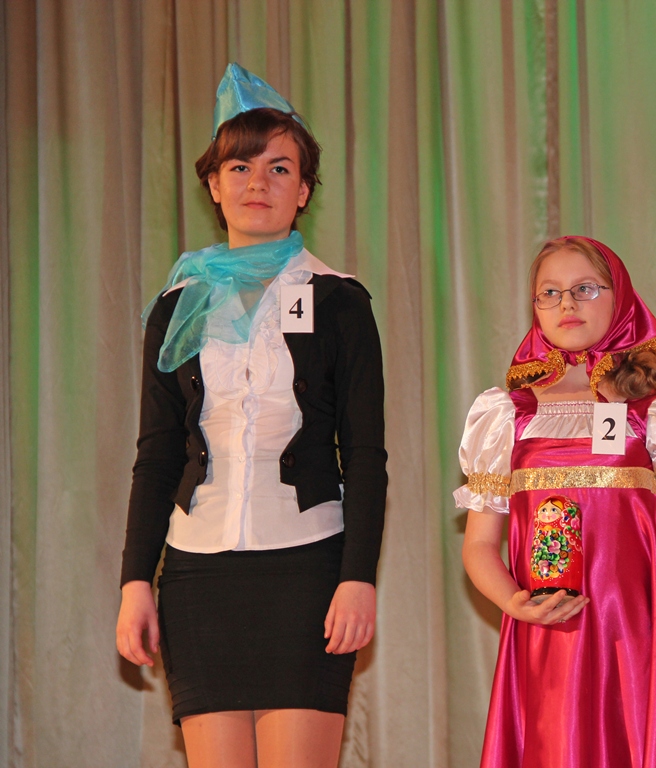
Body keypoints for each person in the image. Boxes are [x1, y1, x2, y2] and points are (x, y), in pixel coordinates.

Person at [115, 64, 386, 768]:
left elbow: (364, 454)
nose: (257, 183)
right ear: (213, 184)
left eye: (278, 168)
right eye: (240, 166)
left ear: (304, 191)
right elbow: (157, 454)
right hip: (197, 574)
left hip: (309, 567)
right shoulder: (178, 306)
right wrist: (135, 580)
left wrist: (358, 576)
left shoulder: (339, 301)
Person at [458, 236, 656, 767]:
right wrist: (514, 602)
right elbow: (479, 546)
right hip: (545, 645)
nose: (566, 304)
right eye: (549, 293)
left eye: (585, 289)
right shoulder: (506, 415)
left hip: (635, 646)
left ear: (620, 297)